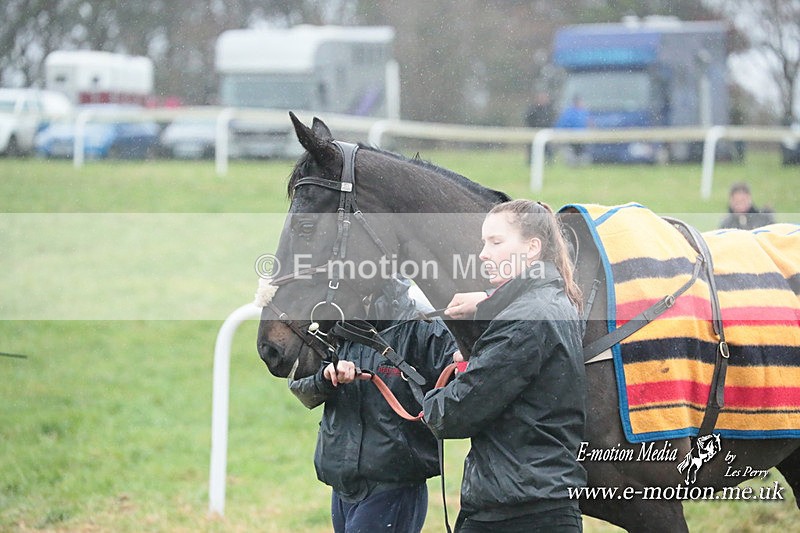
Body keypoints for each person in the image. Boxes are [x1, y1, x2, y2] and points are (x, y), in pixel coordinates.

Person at [423, 199, 587, 532]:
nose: (483, 253)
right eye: (484, 242)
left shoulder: (524, 318)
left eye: (495, 242)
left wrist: (432, 401)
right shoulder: (555, 299)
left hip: (516, 512)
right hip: (538, 501)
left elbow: (454, 413)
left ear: (532, 248)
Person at [288, 277, 457, 533]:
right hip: (343, 484)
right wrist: (326, 376)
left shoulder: (424, 327)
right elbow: (299, 382)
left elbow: (464, 390)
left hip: (395, 485)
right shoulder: (331, 322)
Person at [554, 95, 590, 164]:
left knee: (581, 152)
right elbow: (562, 124)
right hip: (571, 138)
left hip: (582, 138)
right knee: (571, 153)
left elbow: (588, 124)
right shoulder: (569, 112)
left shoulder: (584, 112)